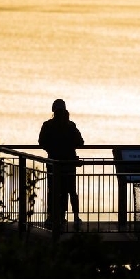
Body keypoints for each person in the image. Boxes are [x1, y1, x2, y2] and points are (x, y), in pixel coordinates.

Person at [39, 98, 85, 231]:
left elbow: (41, 142)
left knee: (53, 191)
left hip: (53, 163)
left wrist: (51, 149)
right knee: (70, 191)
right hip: (69, 163)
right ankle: (75, 218)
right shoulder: (70, 126)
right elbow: (80, 142)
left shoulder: (47, 125)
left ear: (53, 111)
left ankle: (52, 218)